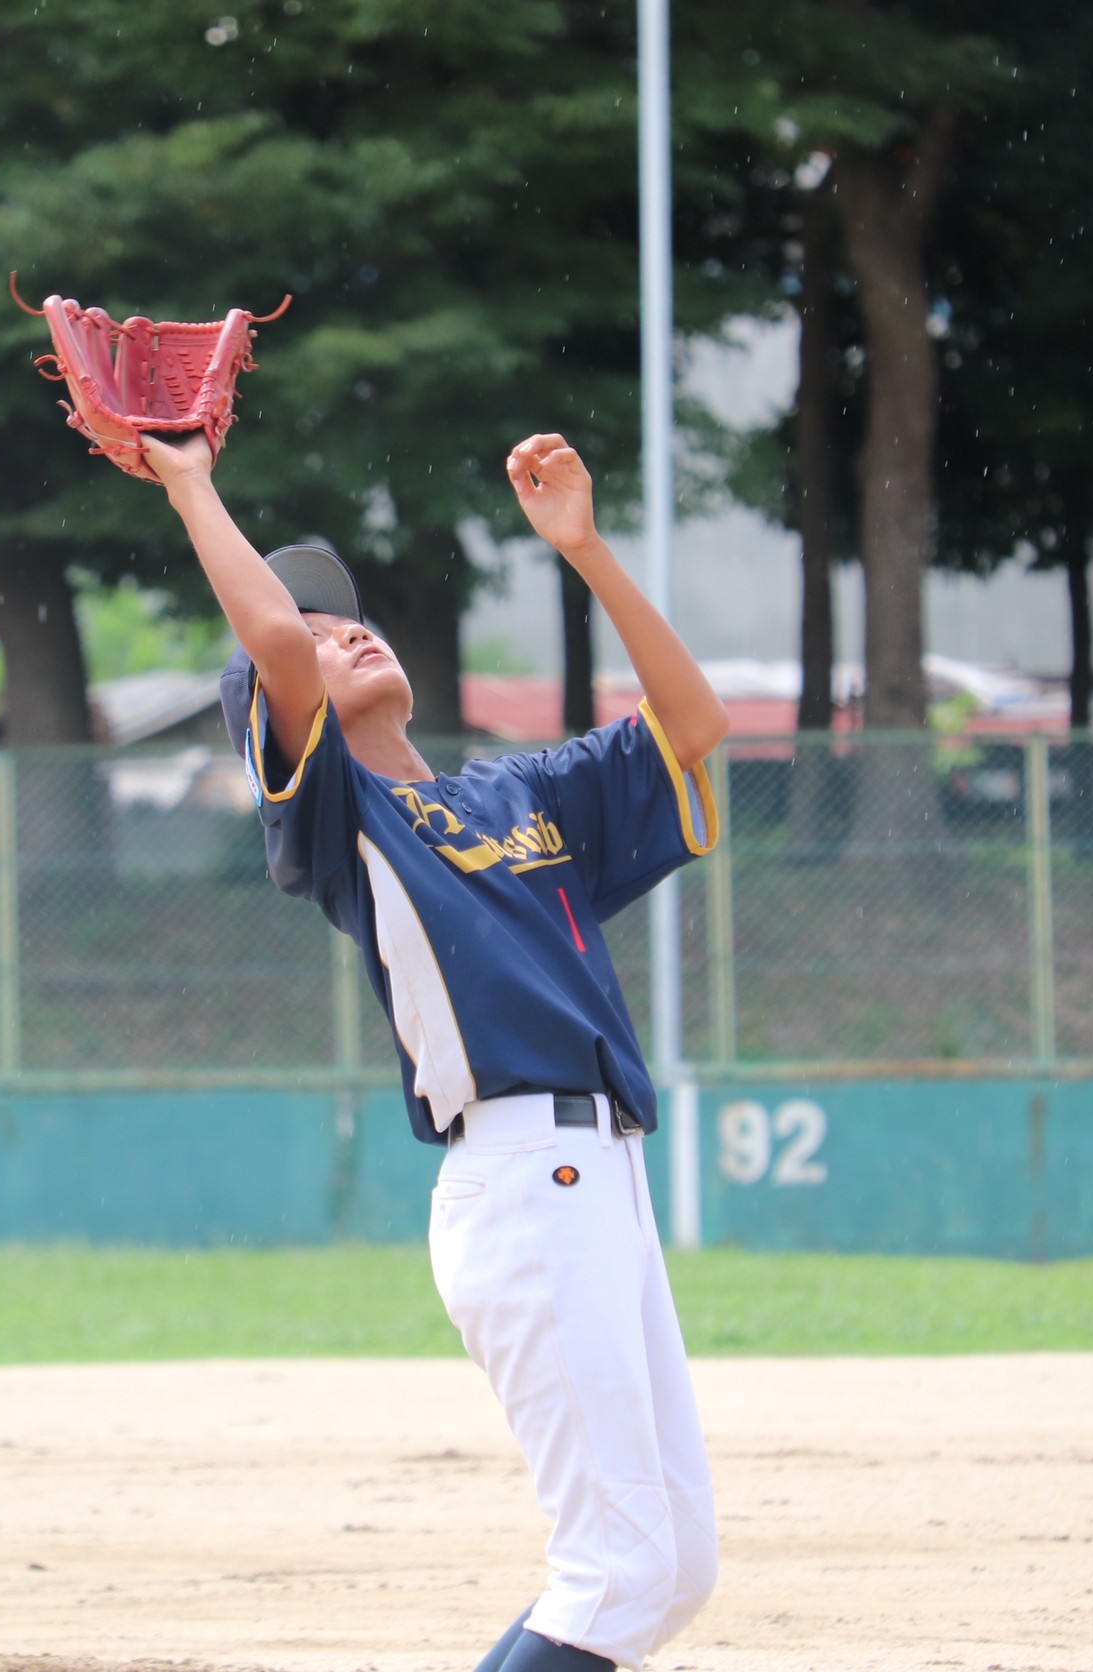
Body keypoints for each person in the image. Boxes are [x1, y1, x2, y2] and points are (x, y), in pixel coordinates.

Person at [142, 429, 726, 1672]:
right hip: (523, 1183)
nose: (347, 633)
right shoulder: (342, 820)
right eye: (315, 636)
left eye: (355, 621)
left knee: (673, 1565)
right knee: (615, 1566)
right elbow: (280, 647)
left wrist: (585, 552)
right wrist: (191, 483)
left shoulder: (519, 800)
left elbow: (692, 721)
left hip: (602, 1184)